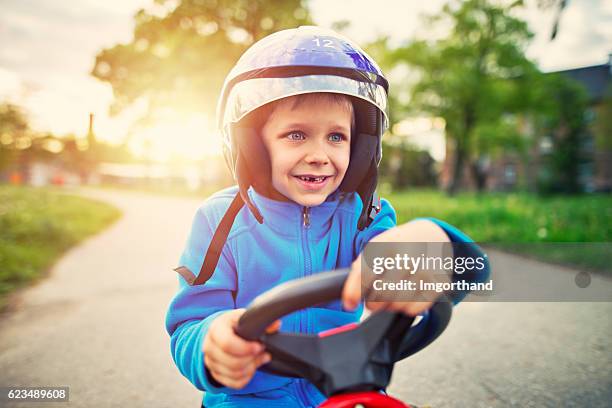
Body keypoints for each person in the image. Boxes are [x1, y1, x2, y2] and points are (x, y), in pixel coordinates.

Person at [165, 26, 489, 407]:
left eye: (336, 137)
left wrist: (434, 245)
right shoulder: (219, 220)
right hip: (250, 398)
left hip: (348, 391)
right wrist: (211, 341)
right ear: (252, 145)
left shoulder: (362, 217)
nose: (320, 154)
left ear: (362, 144)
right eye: (297, 135)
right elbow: (188, 325)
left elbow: (469, 272)